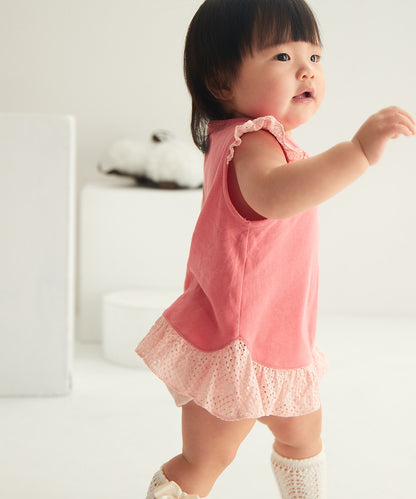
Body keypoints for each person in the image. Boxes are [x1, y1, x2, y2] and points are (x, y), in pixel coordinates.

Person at [136, 0, 415, 497]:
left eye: (315, 56)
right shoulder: (253, 140)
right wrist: (357, 153)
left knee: (303, 435)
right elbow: (275, 195)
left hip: (277, 338)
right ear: (221, 81)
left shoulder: (242, 139)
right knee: (207, 458)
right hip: (238, 343)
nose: (307, 69)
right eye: (283, 56)